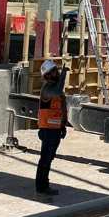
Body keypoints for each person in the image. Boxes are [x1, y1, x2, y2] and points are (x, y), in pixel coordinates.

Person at [36, 59, 67, 198]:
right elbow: (57, 91)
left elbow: (61, 108)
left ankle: (44, 185)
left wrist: (63, 125)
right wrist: (64, 74)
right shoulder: (48, 89)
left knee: (49, 159)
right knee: (45, 160)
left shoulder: (55, 88)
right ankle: (41, 187)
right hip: (47, 130)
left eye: (57, 70)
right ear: (47, 75)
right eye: (54, 71)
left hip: (55, 129)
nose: (57, 73)